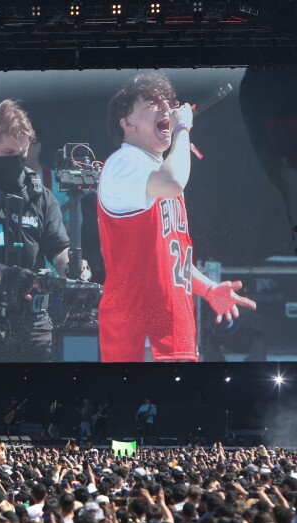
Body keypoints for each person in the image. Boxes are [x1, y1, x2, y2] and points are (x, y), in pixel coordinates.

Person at [97, 72, 256, 362]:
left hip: (173, 329)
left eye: (167, 102)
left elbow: (168, 261)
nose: (166, 109)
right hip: (141, 335)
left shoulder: (156, 169)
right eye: (152, 104)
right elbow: (173, 182)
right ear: (127, 122)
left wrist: (208, 289)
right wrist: (183, 129)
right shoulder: (125, 162)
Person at [0, 99, 89, 362]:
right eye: (8, 154)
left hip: (32, 324)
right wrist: (5, 276)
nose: (16, 161)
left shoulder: (40, 195)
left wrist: (72, 269)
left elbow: (58, 248)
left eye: (21, 154)